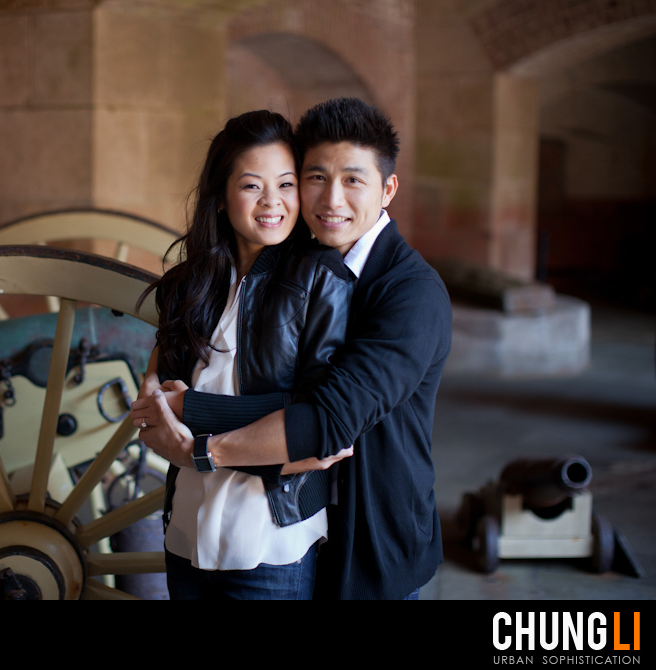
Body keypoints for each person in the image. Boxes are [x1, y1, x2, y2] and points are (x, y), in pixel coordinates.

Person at [133, 97, 452, 600]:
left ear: (388, 188)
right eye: (315, 177)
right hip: (292, 525)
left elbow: (325, 424)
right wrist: (158, 395)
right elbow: (168, 381)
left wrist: (195, 433)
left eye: (353, 180)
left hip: (372, 542)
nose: (331, 199)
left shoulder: (411, 294)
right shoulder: (274, 268)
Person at [136, 109, 355, 599]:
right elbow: (157, 414)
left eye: (286, 184)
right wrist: (173, 416)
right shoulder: (184, 288)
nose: (272, 202)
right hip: (186, 533)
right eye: (253, 186)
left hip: (273, 542)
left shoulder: (323, 280)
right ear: (220, 197)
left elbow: (324, 434)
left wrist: (196, 424)